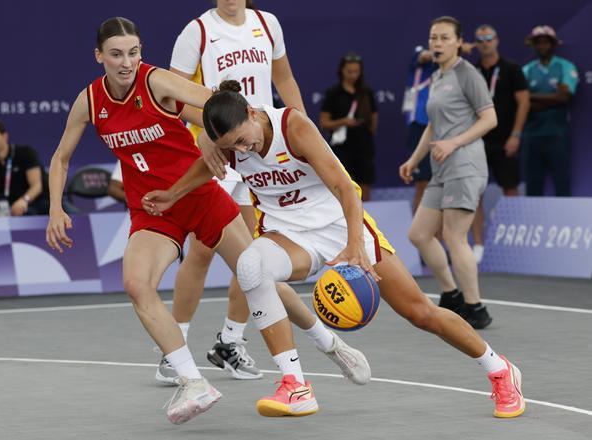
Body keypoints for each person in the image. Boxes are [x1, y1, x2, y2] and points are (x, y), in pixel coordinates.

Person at [45, 17, 364, 424]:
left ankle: (330, 345)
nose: (126, 62)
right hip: (154, 208)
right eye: (116, 54)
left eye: (134, 52)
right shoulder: (89, 101)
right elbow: (60, 158)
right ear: (99, 57)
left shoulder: (157, 82)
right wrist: (57, 207)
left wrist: (205, 135)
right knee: (136, 285)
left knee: (258, 278)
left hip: (198, 195)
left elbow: (217, 105)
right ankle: (192, 381)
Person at [143, 80, 526, 419]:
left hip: (340, 225)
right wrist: (173, 194)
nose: (244, 149)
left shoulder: (292, 127)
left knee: (420, 313)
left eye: (244, 140)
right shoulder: (229, 143)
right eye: (232, 147)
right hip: (288, 234)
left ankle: (499, 369)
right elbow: (207, 167)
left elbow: (347, 188)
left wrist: (355, 245)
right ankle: (295, 385)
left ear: (251, 111)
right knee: (251, 267)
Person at [162, 0, 307, 383]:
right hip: (219, 153)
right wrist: (212, 132)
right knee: (204, 250)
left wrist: (303, 130)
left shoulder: (267, 23)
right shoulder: (197, 31)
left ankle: (230, 340)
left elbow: (286, 81)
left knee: (254, 251)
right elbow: (173, 98)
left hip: (261, 150)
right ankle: (172, 348)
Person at [399, 16, 496, 329]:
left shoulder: (468, 74)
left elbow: (489, 119)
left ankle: (475, 307)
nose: (437, 43)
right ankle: (451, 295)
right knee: (419, 234)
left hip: (465, 165)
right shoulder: (438, 76)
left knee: (455, 237)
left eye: (443, 38)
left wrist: (454, 142)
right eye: (433, 38)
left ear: (458, 42)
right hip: (441, 168)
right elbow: (432, 125)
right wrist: (414, 160)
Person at [470, 24, 530, 263]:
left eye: (489, 38)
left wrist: (515, 135)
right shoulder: (471, 72)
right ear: (476, 43)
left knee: (511, 188)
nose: (485, 43)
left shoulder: (512, 69)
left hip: (506, 140)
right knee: (475, 194)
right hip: (477, 142)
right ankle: (478, 244)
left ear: (497, 40)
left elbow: (524, 103)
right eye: (481, 39)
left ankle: (513, 242)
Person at [522, 25, 578, 197]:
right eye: (538, 42)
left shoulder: (566, 67)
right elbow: (522, 102)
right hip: (532, 135)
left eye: (546, 42)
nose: (542, 46)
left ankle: (566, 222)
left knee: (562, 182)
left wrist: (532, 96)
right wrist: (552, 99)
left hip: (557, 133)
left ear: (553, 44)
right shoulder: (527, 70)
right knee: (533, 185)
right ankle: (533, 223)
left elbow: (564, 98)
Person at [319, 52, 377, 201]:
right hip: (341, 149)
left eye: (356, 71)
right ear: (342, 71)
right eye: (349, 71)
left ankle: (365, 221)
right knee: (343, 187)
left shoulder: (366, 92)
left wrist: (367, 135)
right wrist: (343, 122)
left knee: (365, 187)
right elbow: (324, 123)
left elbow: (373, 120)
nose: (353, 75)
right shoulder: (333, 93)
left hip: (364, 147)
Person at [0, 121, 49, 216]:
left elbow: (37, 186)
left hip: (38, 204)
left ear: (5, 136)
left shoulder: (25, 153)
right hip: (9, 210)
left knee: (27, 213)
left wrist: (24, 201)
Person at [402, 46, 437, 213]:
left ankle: (439, 236)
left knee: (441, 184)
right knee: (423, 183)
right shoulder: (419, 55)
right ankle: (419, 235)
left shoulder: (450, 69)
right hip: (419, 126)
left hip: (441, 126)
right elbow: (423, 56)